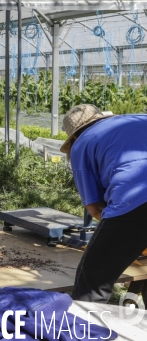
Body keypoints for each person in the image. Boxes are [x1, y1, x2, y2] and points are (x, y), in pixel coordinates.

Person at [60, 104, 147, 302]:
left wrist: (123, 237)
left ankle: (85, 329)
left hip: (135, 199)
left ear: (73, 136)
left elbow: (95, 207)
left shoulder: (81, 144)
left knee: (92, 277)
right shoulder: (137, 120)